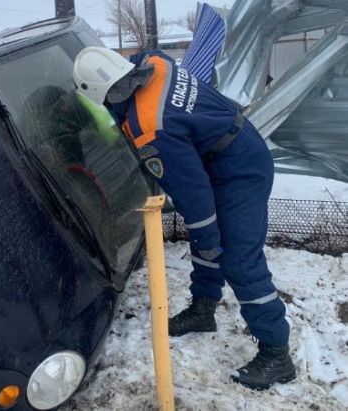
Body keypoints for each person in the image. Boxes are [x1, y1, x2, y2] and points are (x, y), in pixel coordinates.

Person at [72, 47, 296, 390]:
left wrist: (208, 239)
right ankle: (204, 308)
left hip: (242, 169)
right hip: (227, 148)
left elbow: (195, 198)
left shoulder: (150, 129)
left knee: (235, 256)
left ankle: (276, 351)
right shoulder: (155, 65)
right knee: (206, 238)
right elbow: (150, 51)